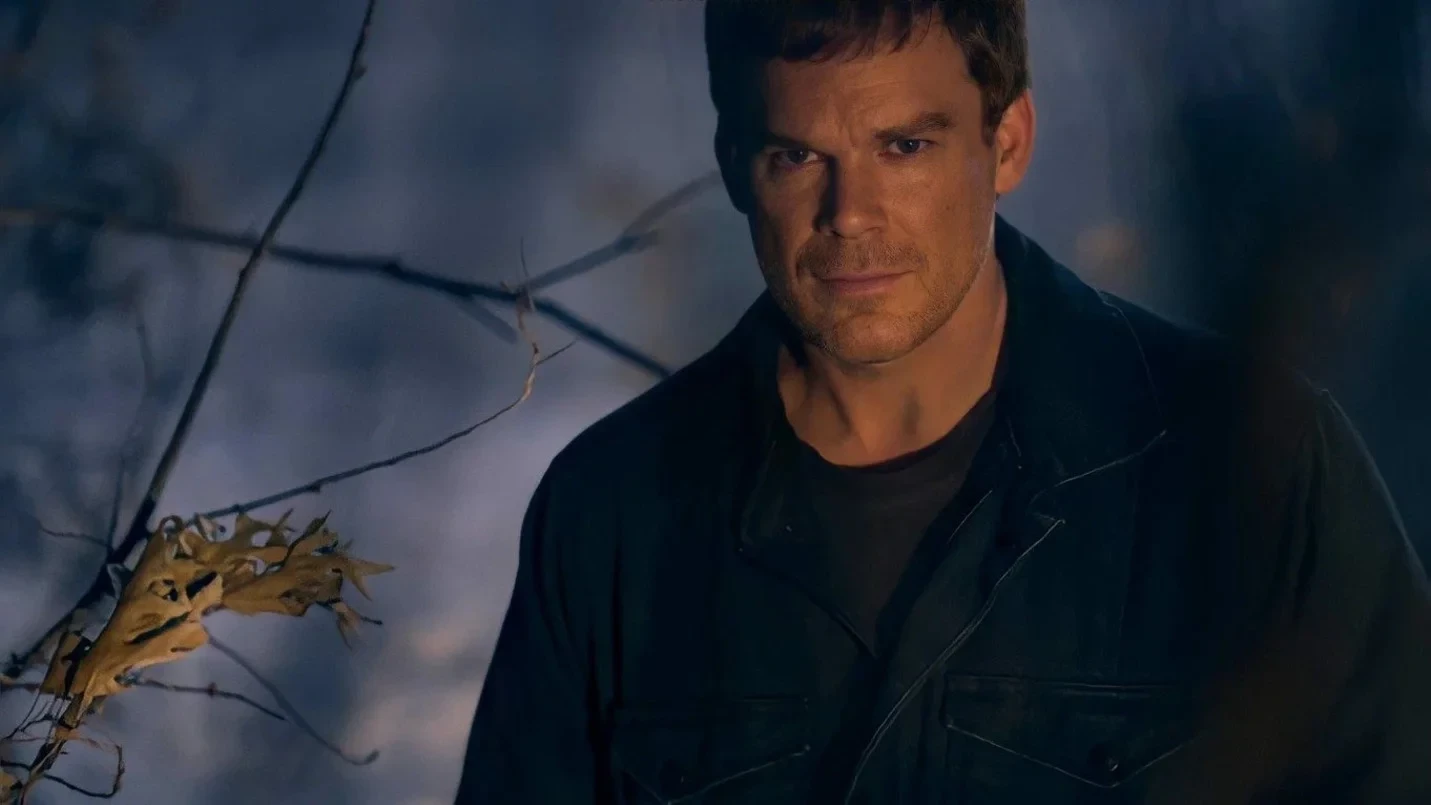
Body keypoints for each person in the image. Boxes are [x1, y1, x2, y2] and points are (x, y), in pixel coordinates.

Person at [454, 1, 1431, 802]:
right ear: (732, 162)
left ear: (1008, 142)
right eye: (797, 156)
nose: (849, 215)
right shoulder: (614, 516)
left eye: (904, 145)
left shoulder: (1247, 462)